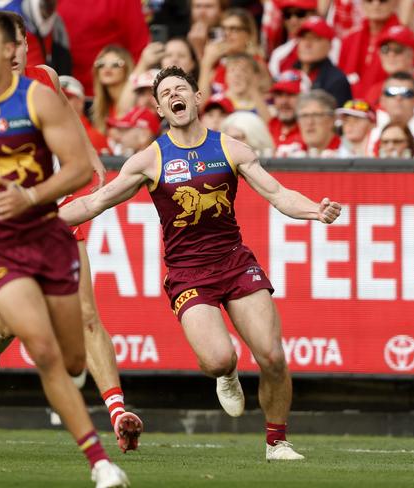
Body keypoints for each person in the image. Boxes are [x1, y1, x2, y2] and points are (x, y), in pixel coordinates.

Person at [52, 66, 342, 461]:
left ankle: (277, 442)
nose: (176, 94)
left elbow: (278, 194)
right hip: (188, 273)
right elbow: (94, 202)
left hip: (235, 262)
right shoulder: (148, 159)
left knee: (272, 356)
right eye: (167, 91)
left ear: (197, 96)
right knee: (218, 358)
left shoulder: (231, 149)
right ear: (159, 107)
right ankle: (227, 374)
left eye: (181, 88)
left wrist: (315, 210)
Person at [0, 11, 129, 487]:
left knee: (74, 348)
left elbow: (76, 155)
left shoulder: (41, 88)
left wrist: (73, 180)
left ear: (16, 47)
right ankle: (101, 457)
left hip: (50, 218)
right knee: (41, 346)